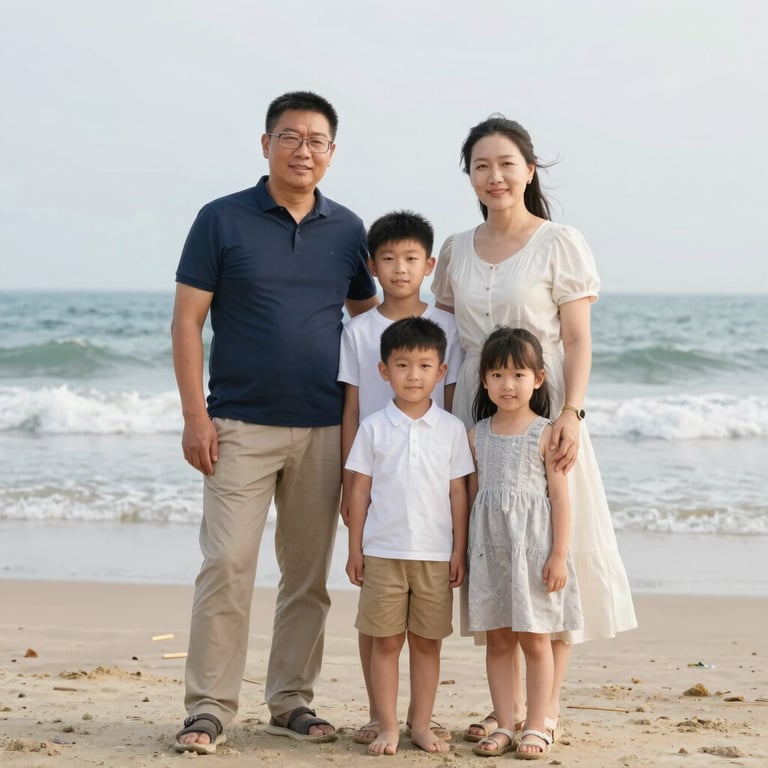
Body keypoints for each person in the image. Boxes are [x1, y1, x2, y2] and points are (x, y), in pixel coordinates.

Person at [171, 90, 378, 754]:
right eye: (291, 137)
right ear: (266, 145)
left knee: (306, 574)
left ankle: (291, 699)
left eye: (317, 140)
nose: (304, 150)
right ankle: (207, 707)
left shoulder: (349, 230)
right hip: (237, 425)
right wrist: (194, 415)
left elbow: (370, 325)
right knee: (227, 564)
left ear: (332, 153)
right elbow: (186, 321)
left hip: (323, 429)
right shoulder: (221, 220)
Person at [431, 114, 637, 743]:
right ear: (468, 175)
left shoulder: (559, 242)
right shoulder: (455, 250)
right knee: (494, 552)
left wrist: (571, 413)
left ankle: (543, 712)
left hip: (546, 417)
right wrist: (442, 423)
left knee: (553, 556)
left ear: (529, 169)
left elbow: (576, 340)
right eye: (481, 166)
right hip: (475, 415)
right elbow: (450, 347)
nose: (495, 176)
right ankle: (503, 709)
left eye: (506, 163)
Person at [337, 210, 463, 746]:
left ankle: (415, 718)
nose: (400, 268)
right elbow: (351, 408)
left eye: (411, 259)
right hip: (374, 473)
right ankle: (379, 714)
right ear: (372, 266)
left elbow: (453, 405)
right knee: (378, 623)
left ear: (429, 265)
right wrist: (348, 484)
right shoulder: (360, 331)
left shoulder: (447, 328)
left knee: (425, 635)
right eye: (387, 259)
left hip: (430, 507)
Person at [344, 317, 475, 756]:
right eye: (402, 365)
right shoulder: (374, 428)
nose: (413, 375)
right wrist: (354, 548)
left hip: (436, 555)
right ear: (384, 371)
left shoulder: (452, 431)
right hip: (382, 552)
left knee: (426, 642)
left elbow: (459, 492)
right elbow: (359, 489)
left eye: (424, 366)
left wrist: (459, 549)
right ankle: (386, 726)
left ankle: (420, 724)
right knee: (385, 641)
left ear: (441, 372)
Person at [467, 327, 582, 759]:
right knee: (498, 641)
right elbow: (474, 500)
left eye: (518, 374)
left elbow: (560, 501)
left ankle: (538, 724)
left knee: (535, 640)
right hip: (491, 554)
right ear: (483, 381)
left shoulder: (548, 434)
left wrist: (558, 555)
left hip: (534, 553)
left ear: (538, 378)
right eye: (497, 374)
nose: (507, 384)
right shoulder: (476, 435)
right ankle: (505, 721)